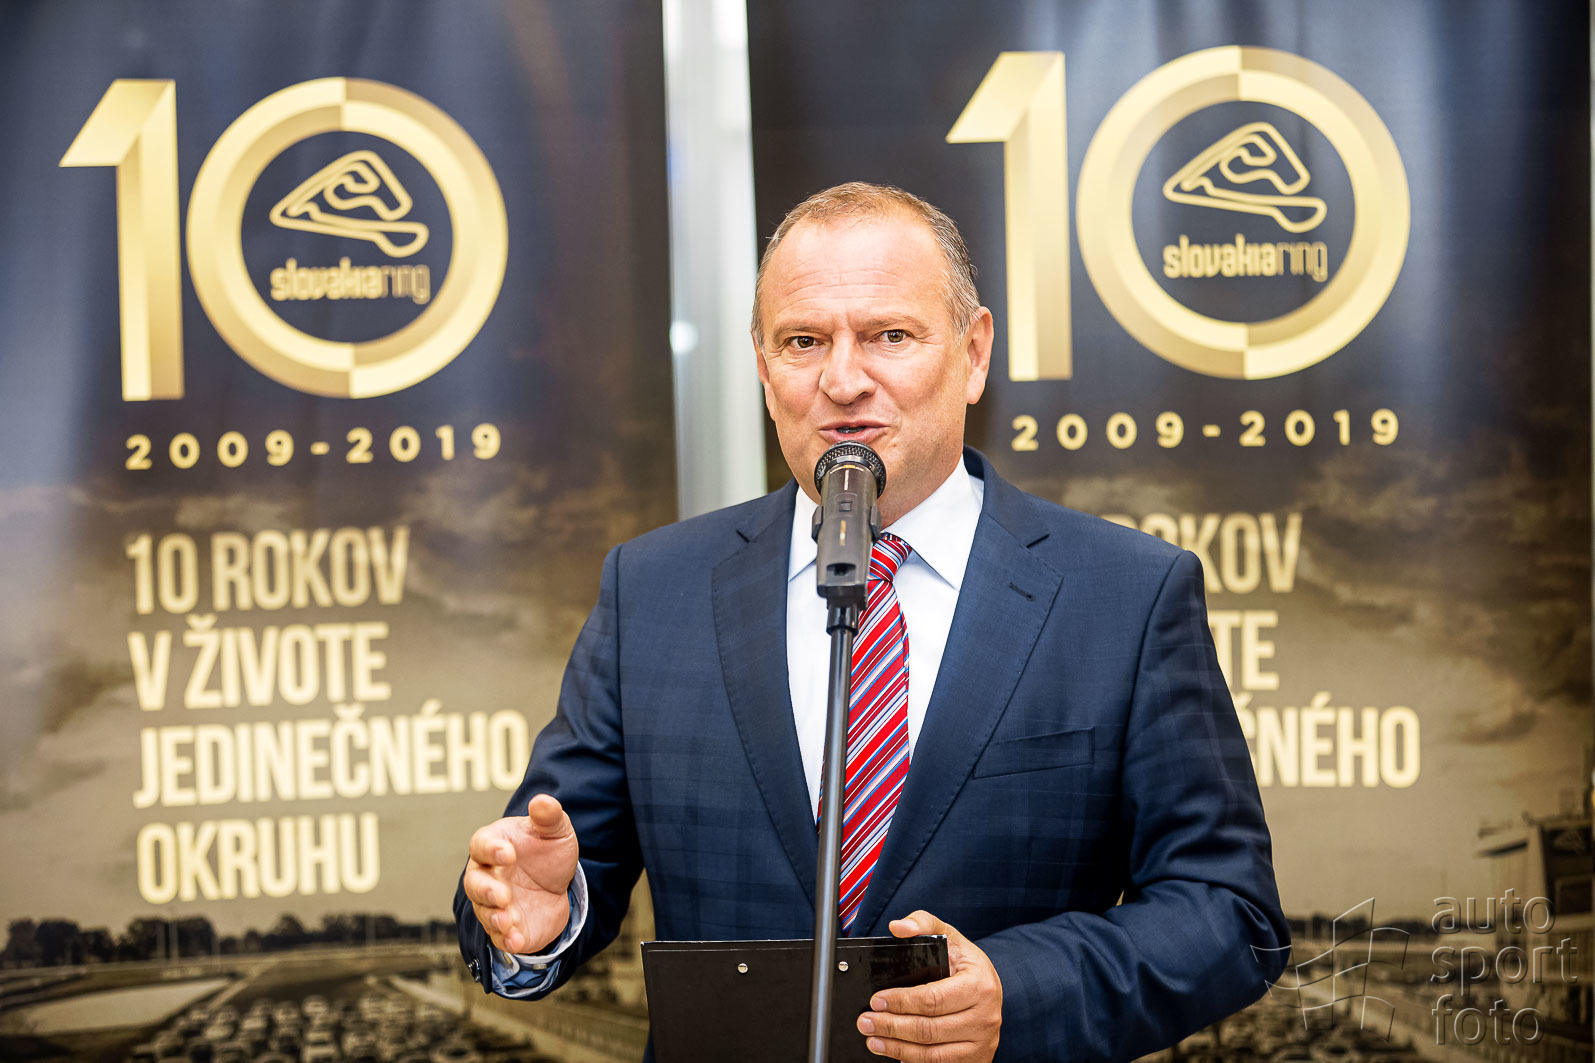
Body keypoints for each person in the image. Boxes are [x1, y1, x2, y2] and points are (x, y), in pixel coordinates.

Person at [455, 182, 1289, 1062]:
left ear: (973, 353)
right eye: (802, 341)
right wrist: (538, 919)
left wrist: (1019, 990)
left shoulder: (1124, 595)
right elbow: (549, 866)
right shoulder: (652, 591)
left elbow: (1228, 912)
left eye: (889, 335)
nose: (843, 380)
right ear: (763, 368)